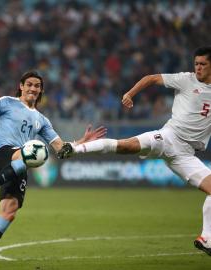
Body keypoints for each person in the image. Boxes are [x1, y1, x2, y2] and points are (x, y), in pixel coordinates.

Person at [58, 46, 211, 256]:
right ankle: (74, 149)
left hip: (186, 154)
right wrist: (130, 94)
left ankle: (206, 239)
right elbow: (151, 78)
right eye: (196, 63)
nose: (198, 68)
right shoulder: (186, 79)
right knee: (125, 146)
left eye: (203, 64)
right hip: (169, 137)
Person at [0, 70, 106, 270]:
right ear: (21, 86)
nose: (33, 88)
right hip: (3, 154)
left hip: (21, 164)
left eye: (37, 86)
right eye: (29, 84)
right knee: (36, 152)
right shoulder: (6, 102)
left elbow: (60, 149)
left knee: (8, 213)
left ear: (41, 91)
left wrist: (80, 143)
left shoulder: (42, 120)